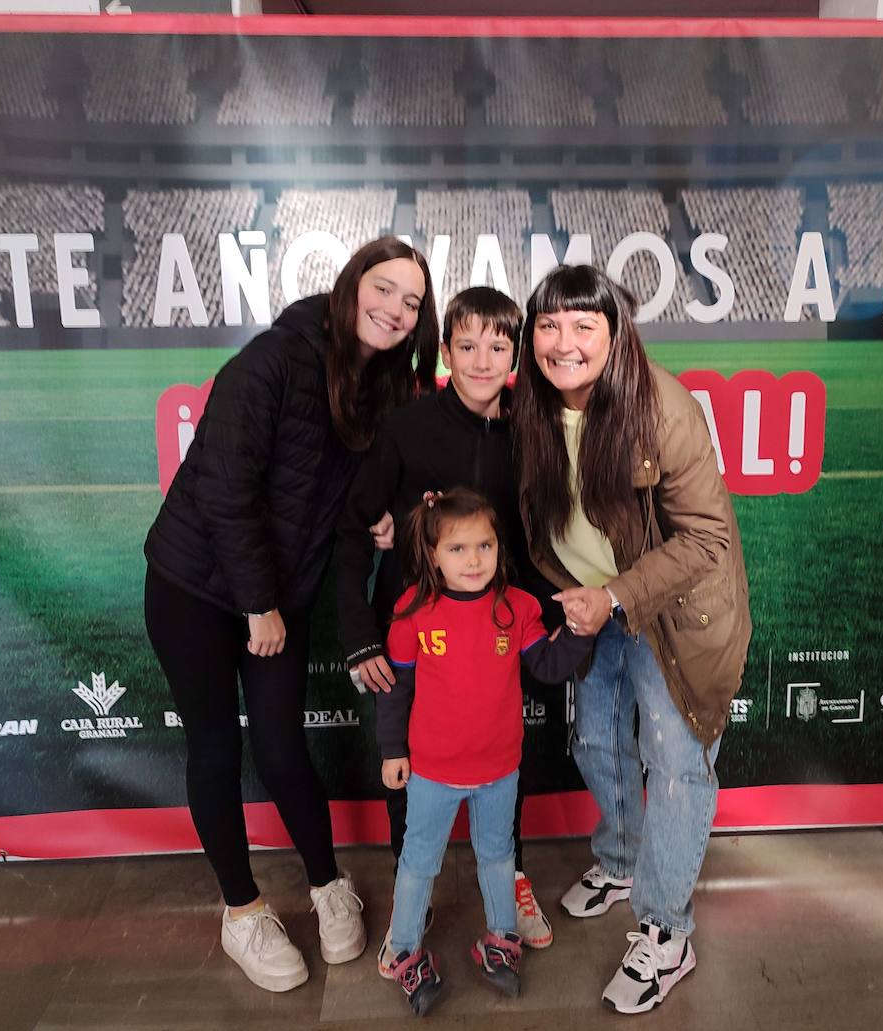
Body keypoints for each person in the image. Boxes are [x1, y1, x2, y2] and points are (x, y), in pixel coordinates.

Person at [142, 236, 439, 993]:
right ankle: (241, 910)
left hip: (283, 592)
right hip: (197, 589)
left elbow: (369, 483)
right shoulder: (273, 359)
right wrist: (257, 604)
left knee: (281, 748)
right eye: (384, 288)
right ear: (350, 286)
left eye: (412, 301)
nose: (396, 309)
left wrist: (382, 517)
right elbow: (222, 488)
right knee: (215, 748)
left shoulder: (388, 388)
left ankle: (326, 882)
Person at [512, 264, 752, 1014]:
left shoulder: (661, 408)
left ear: (614, 335)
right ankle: (620, 860)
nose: (564, 341)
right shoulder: (532, 407)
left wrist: (615, 595)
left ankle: (666, 930)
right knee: (598, 743)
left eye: (585, 324)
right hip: (591, 605)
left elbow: (708, 537)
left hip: (671, 611)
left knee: (678, 765)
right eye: (549, 324)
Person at [334, 287, 558, 973]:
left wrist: (554, 612)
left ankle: (508, 875)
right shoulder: (408, 428)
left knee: (499, 757)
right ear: (446, 352)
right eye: (468, 345)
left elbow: (539, 535)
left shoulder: (529, 430)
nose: (483, 359)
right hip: (416, 635)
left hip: (496, 629)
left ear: (515, 353)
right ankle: (413, 893)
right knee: (415, 770)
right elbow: (354, 523)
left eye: (498, 345)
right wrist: (360, 633)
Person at [374, 488, 592, 1017]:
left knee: (498, 858)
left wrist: (582, 631)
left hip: (499, 770)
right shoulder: (411, 611)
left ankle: (500, 940)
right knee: (419, 861)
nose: (474, 560)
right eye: (457, 549)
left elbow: (546, 664)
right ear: (431, 555)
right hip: (430, 771)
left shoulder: (516, 607)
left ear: (499, 548)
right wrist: (391, 750)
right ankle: (404, 947)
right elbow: (396, 690)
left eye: (485, 546)